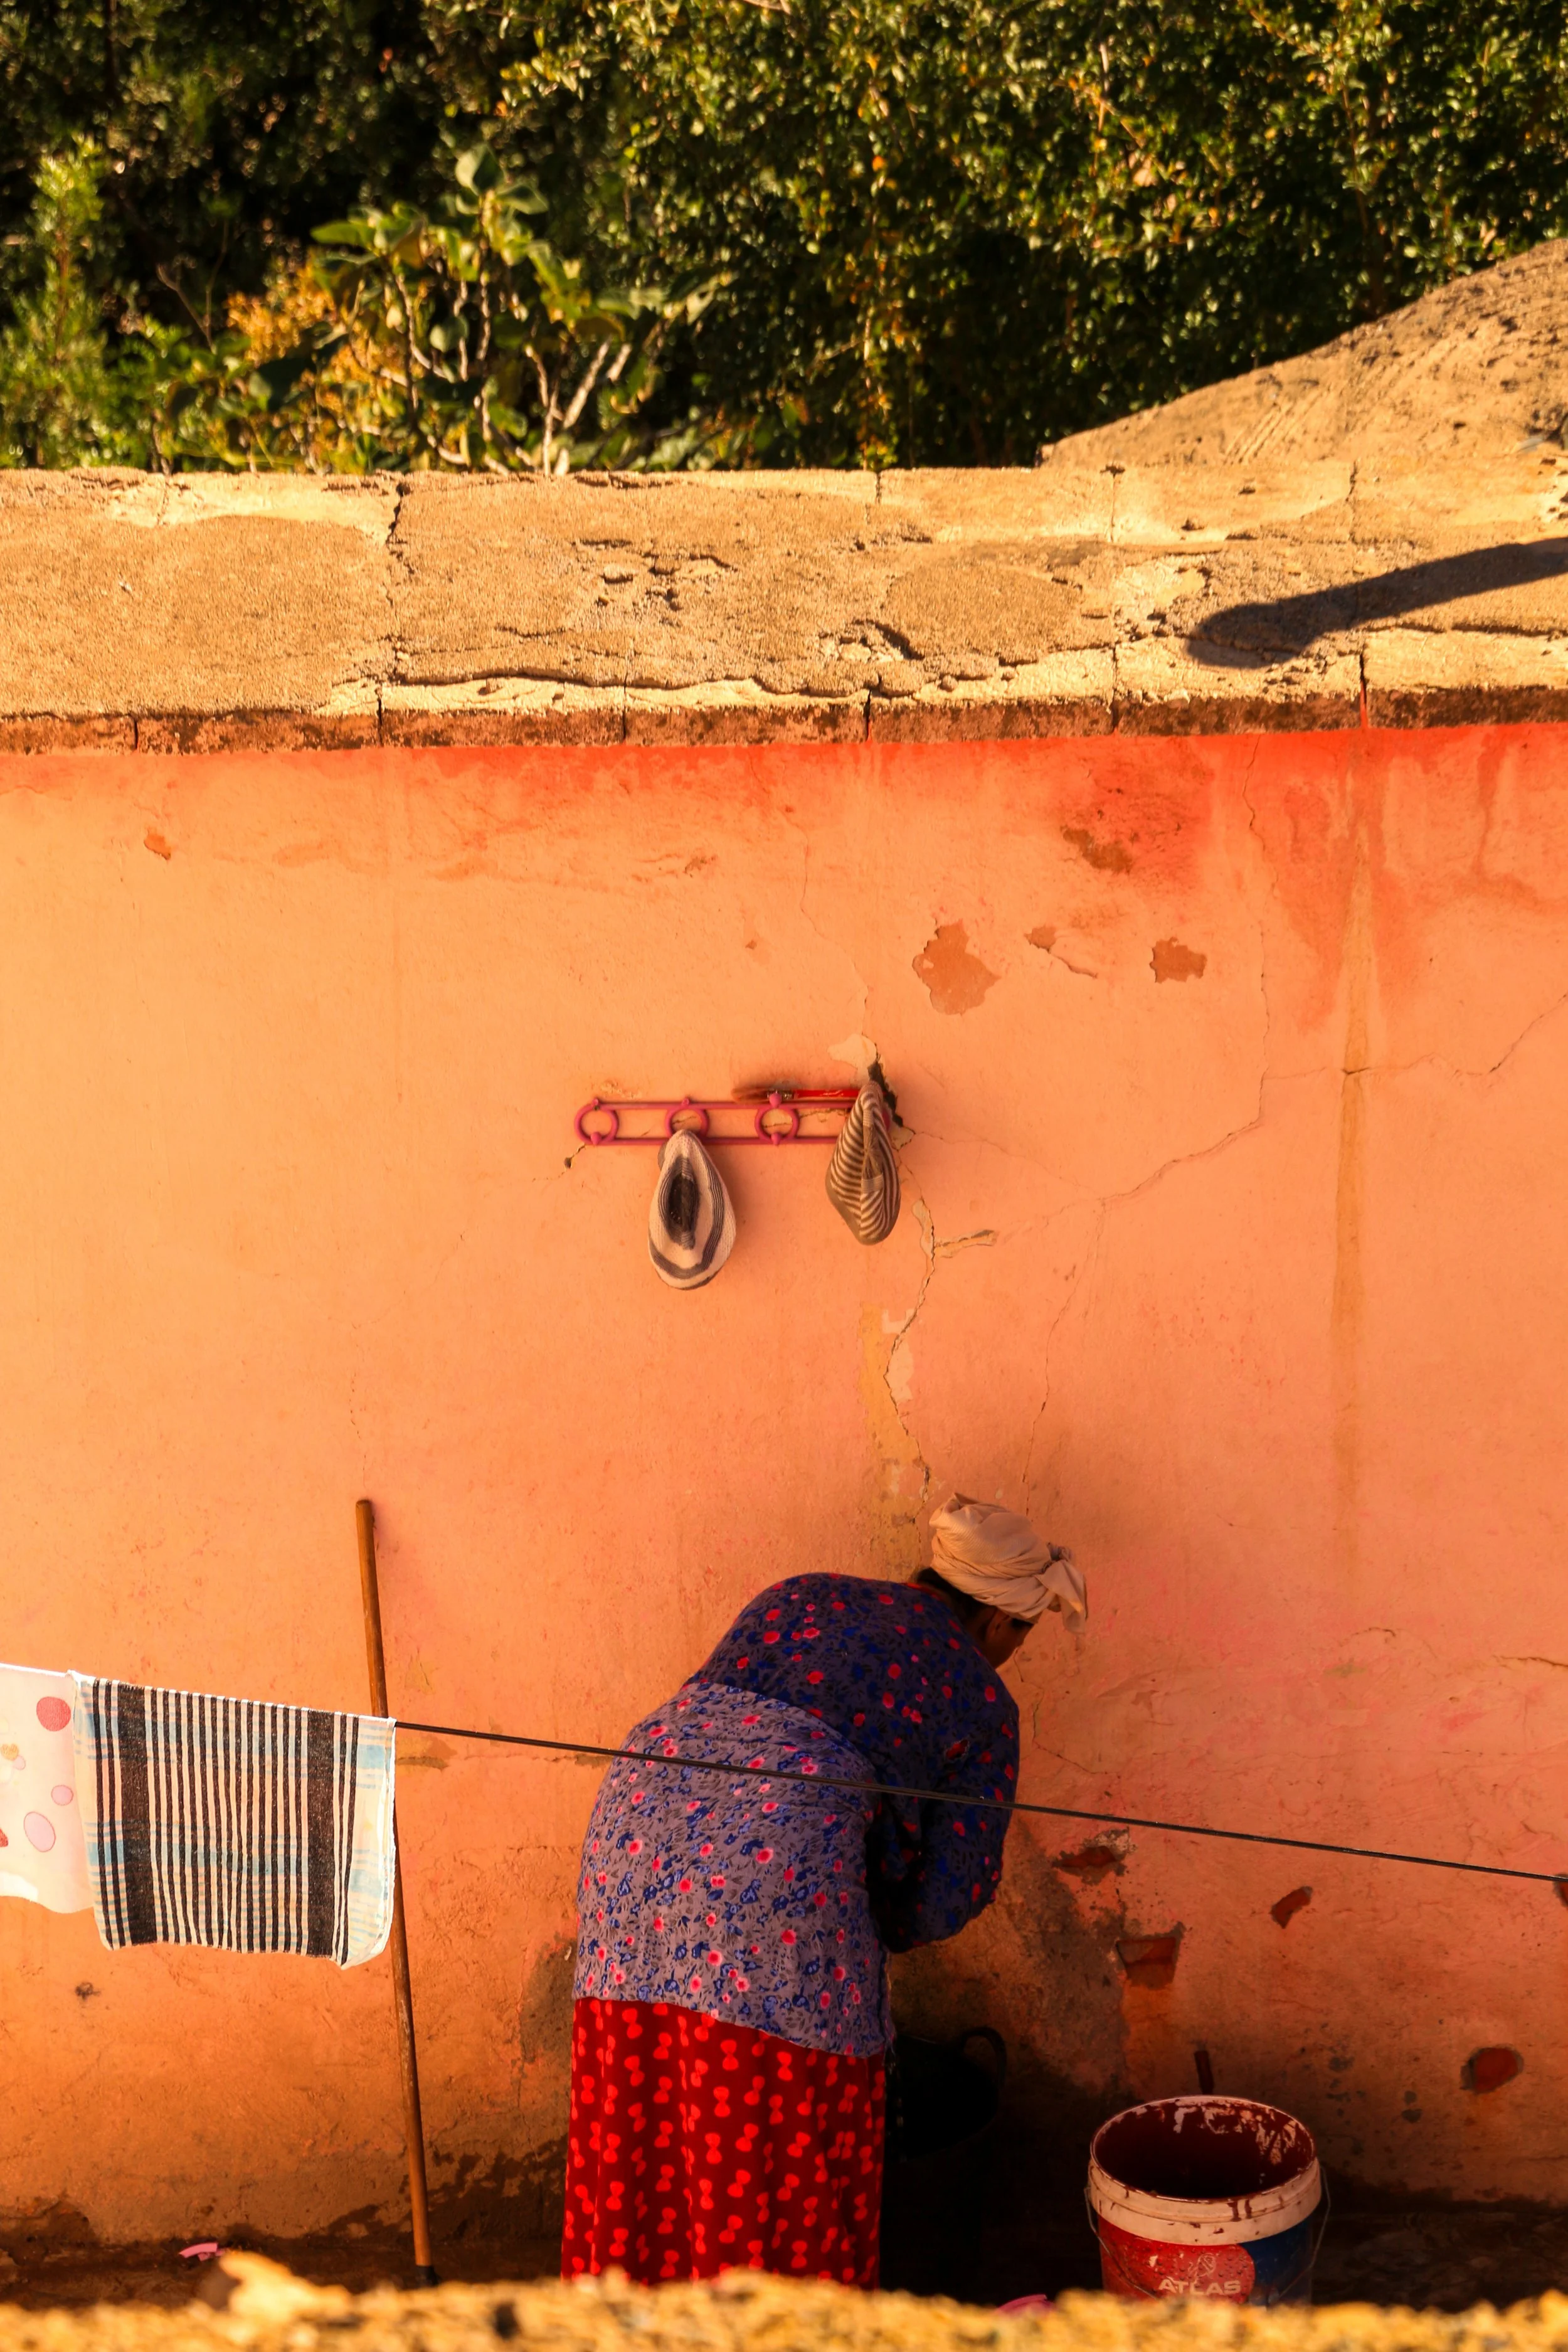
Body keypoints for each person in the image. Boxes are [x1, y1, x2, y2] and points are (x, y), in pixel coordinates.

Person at [561, 1493, 1086, 2289]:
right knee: (773, 2124)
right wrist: (877, 1922)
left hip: (629, 1842)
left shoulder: (797, 1595)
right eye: (1022, 1636)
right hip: (775, 1886)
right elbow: (948, 1892)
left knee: (650, 2096)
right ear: (999, 1625)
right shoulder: (981, 1698)